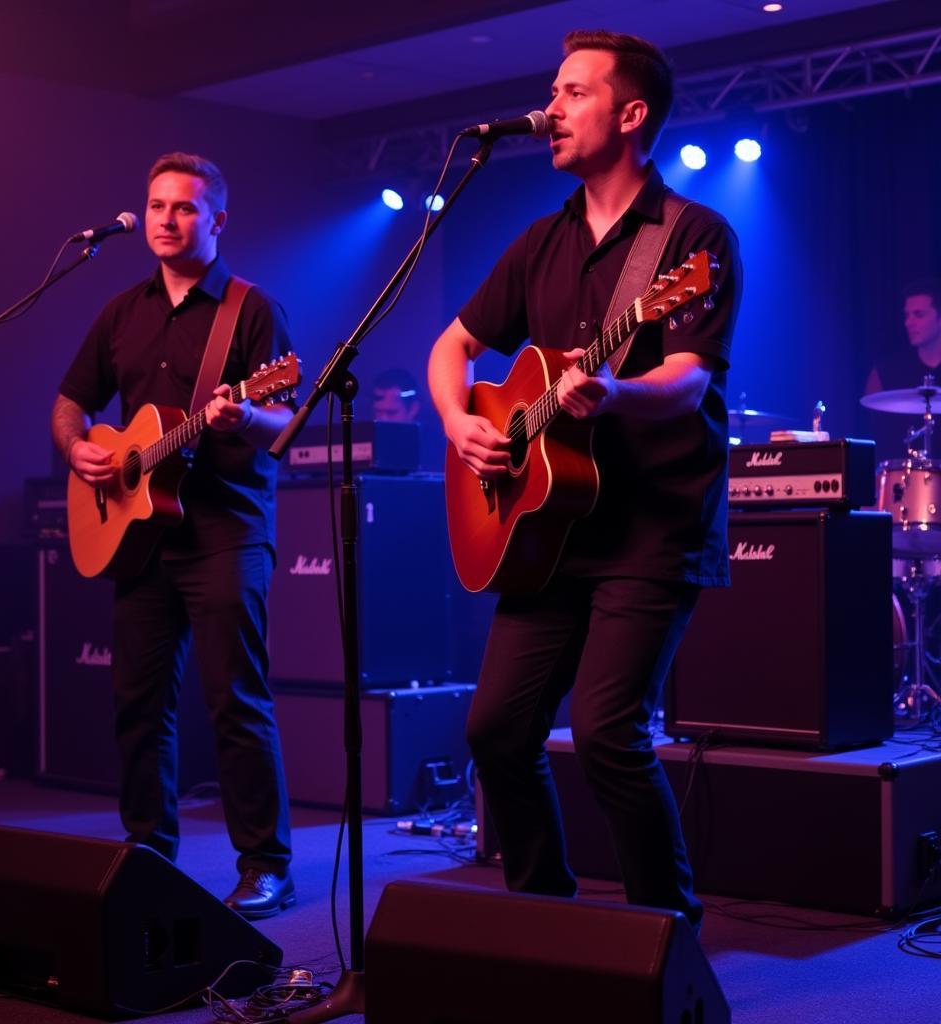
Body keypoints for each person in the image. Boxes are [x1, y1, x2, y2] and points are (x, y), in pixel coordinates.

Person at [428, 30, 740, 931]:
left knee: (608, 734)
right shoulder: (541, 240)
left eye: (572, 92)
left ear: (631, 114)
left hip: (651, 530)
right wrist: (461, 422)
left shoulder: (690, 242)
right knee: (494, 733)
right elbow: (454, 346)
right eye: (551, 92)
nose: (550, 109)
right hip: (546, 536)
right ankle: (547, 923)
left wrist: (614, 392)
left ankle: (663, 937)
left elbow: (688, 379)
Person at [51, 152, 295, 919]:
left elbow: (285, 420)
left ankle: (265, 864)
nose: (165, 219)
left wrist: (244, 413)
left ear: (216, 220)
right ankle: (148, 852)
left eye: (183, 208)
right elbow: (69, 402)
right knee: (138, 702)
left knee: (235, 700)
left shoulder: (252, 310)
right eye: (156, 205)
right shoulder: (122, 310)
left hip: (226, 528)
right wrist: (80, 447)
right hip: (140, 539)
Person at [864, 279, 941, 459]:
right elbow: (869, 436)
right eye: (907, 315)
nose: (908, 323)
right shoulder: (885, 371)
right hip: (903, 478)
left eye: (918, 314)